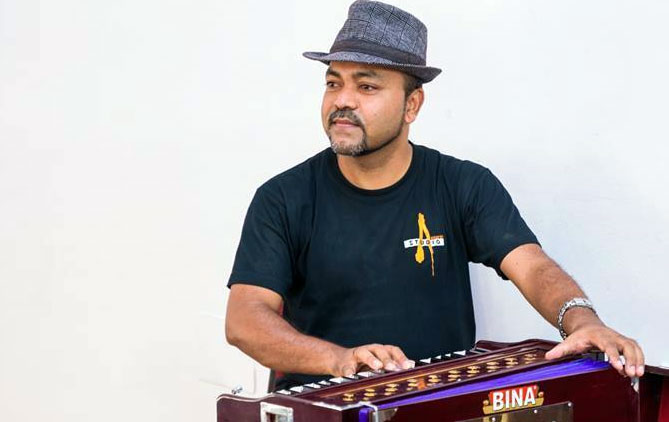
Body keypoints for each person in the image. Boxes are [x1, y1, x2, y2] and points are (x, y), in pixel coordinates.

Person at [225, 0, 644, 392]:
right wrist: (339, 360)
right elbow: (245, 320)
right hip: (327, 408)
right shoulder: (283, 199)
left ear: (412, 105)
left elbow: (532, 267)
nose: (343, 101)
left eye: (366, 87)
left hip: (436, 405)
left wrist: (582, 321)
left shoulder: (462, 185)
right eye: (333, 83)